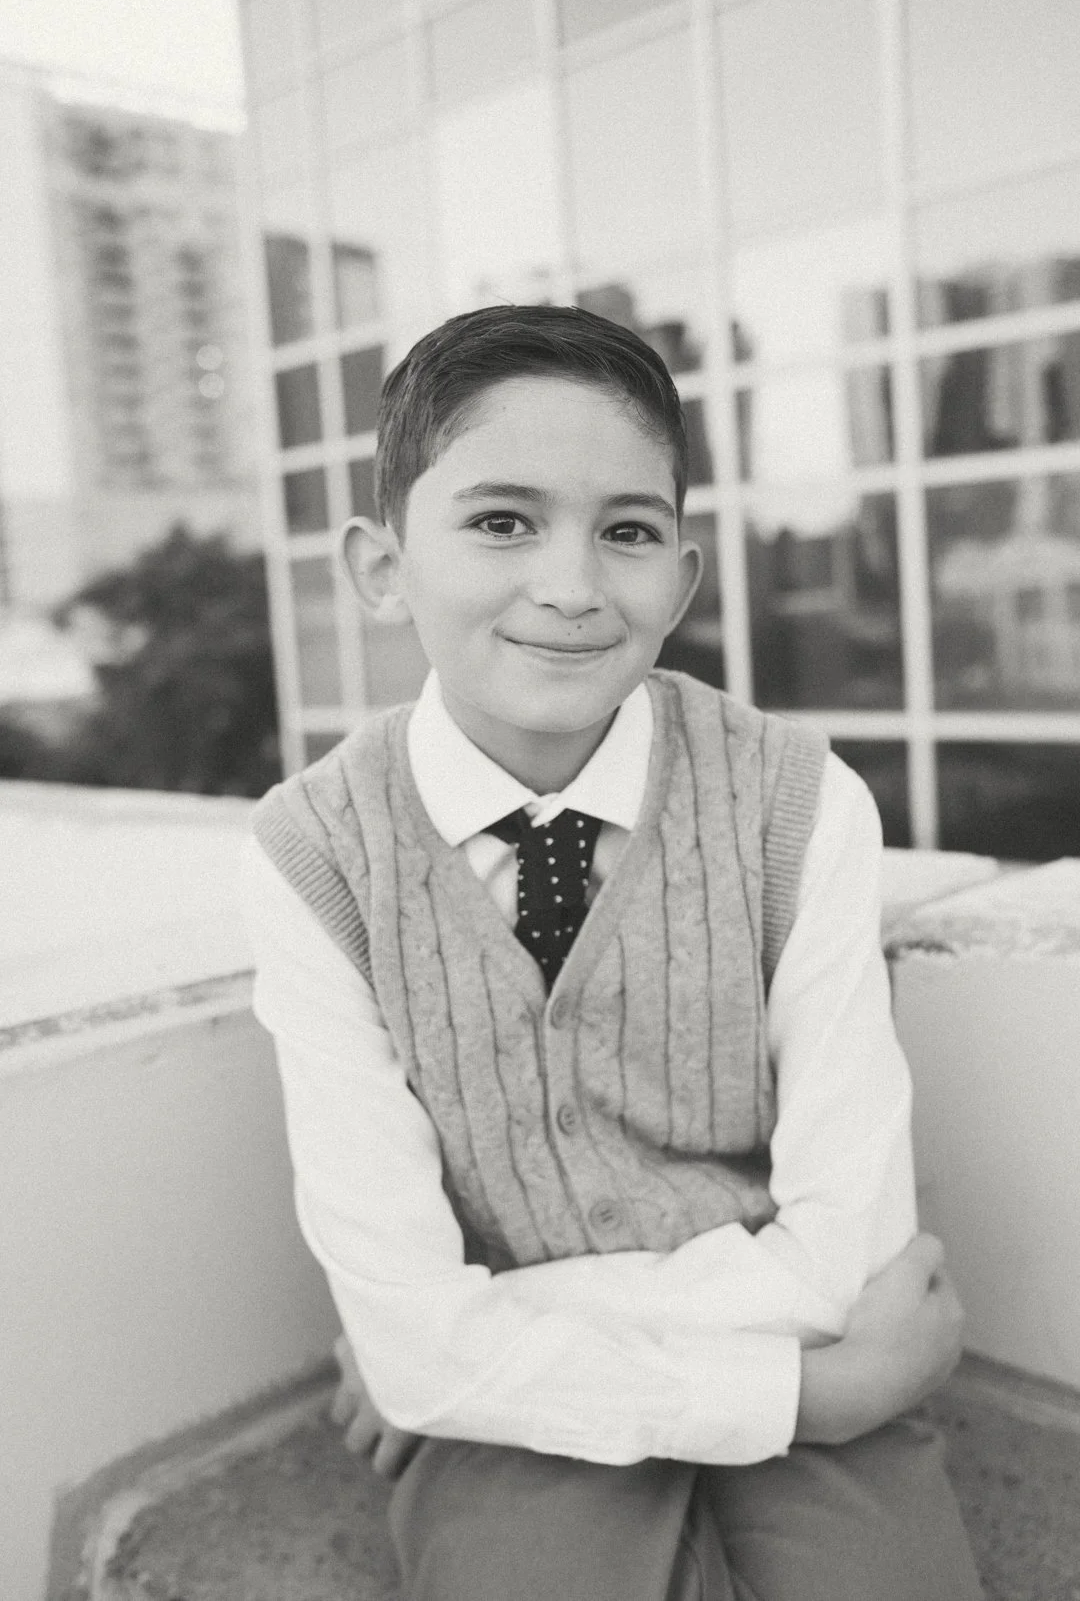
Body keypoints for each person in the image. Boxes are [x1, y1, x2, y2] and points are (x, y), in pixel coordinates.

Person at [241, 305, 982, 1601]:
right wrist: (814, 1385)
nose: (573, 586)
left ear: (682, 581)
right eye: (501, 521)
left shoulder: (797, 802)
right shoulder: (314, 855)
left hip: (608, 1358)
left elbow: (848, 1257)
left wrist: (454, 1333)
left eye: (628, 531)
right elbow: (419, 1348)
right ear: (379, 564)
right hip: (571, 1415)